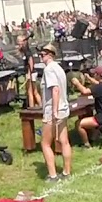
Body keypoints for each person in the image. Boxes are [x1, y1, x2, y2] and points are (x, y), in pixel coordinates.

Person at [39, 44, 72, 181]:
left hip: (53, 110)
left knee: (45, 143)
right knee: (64, 141)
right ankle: (66, 172)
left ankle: (52, 175)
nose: (40, 56)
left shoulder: (49, 69)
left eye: (42, 54)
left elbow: (55, 90)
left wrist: (53, 111)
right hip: (64, 108)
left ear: (49, 54)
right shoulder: (59, 68)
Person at [75, 67, 102, 149]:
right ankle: (94, 137)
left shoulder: (99, 87)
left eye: (94, 74)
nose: (93, 75)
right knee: (88, 114)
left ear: (98, 75)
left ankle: (86, 145)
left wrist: (77, 83)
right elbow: (97, 84)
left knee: (78, 124)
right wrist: (89, 78)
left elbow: (85, 91)